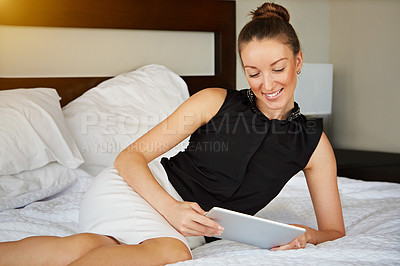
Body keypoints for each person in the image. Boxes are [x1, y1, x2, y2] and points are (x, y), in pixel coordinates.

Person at [0, 2, 345, 265]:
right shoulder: (214, 101)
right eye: (253, 73)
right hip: (141, 191)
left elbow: (334, 231)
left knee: (88, 246)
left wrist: (306, 237)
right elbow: (128, 158)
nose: (267, 84)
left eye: (278, 68)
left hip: (192, 228)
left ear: (298, 61)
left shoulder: (313, 143)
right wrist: (172, 209)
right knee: (171, 252)